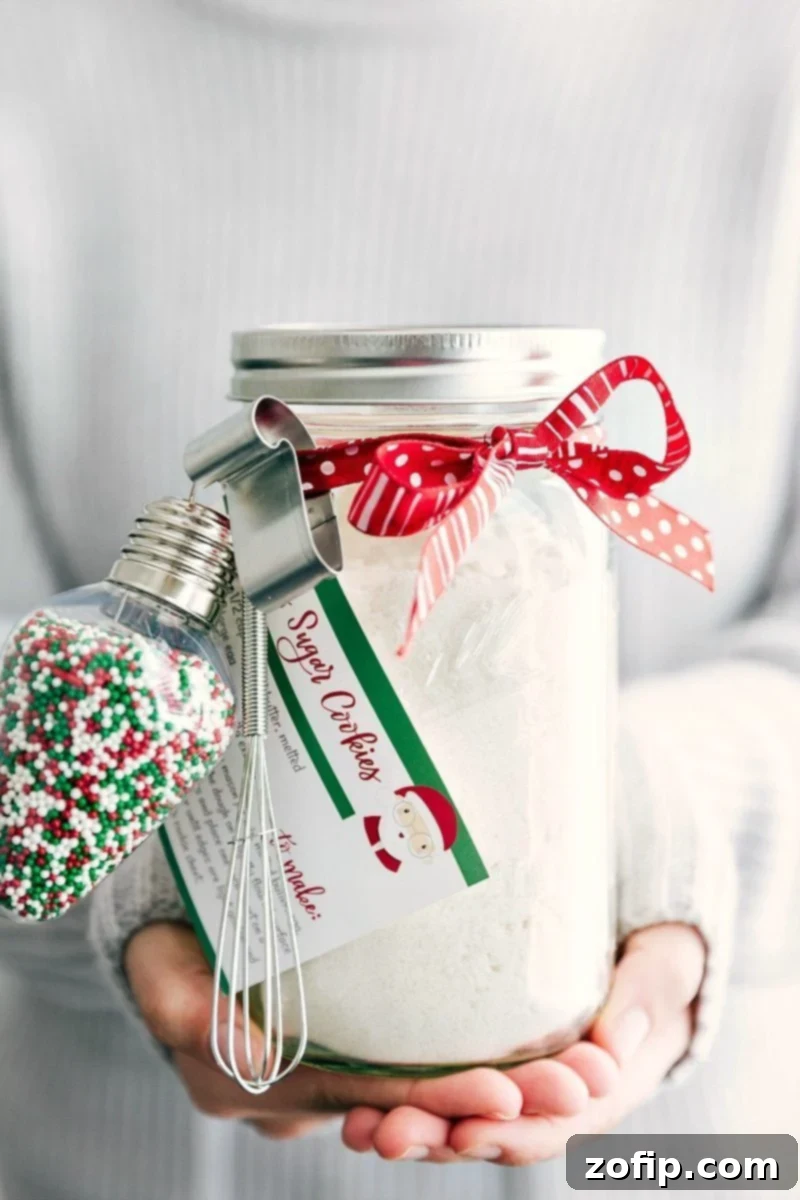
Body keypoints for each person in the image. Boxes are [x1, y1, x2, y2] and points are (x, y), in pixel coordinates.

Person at [1, 0, 799, 1196]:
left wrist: (653, 826)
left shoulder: (766, 52)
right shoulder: (29, 58)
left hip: (673, 1165)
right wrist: (147, 884)